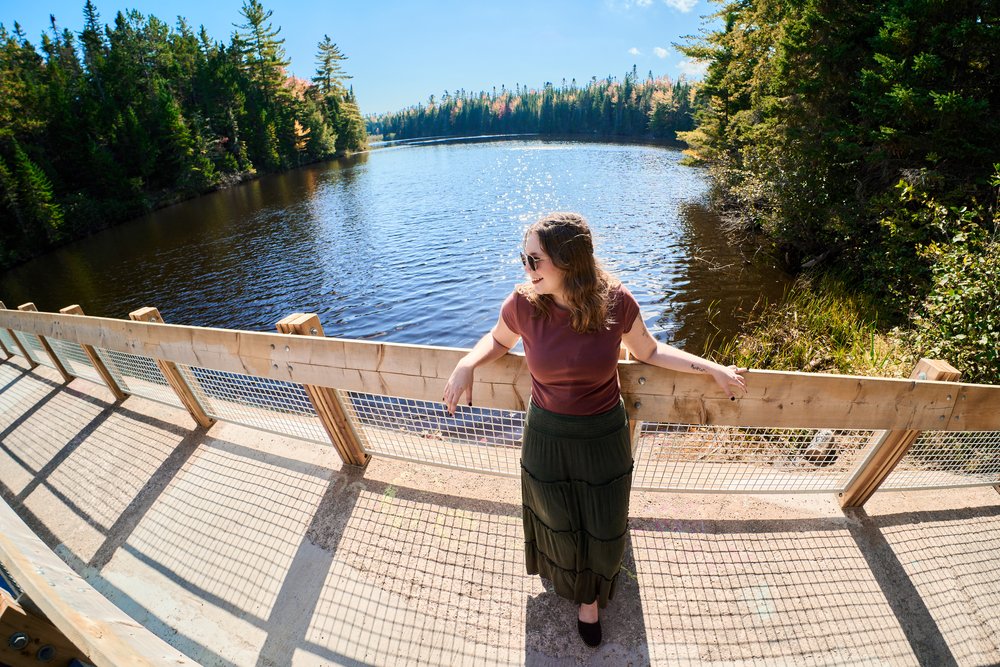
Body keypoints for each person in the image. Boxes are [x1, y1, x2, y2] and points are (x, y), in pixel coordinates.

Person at [443, 212, 747, 647]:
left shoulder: (616, 302)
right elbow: (497, 340)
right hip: (546, 434)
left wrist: (712, 368)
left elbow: (649, 350)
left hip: (603, 434)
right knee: (557, 515)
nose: (526, 268)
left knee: (602, 520)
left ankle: (589, 599)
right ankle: (570, 580)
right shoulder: (524, 304)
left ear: (569, 261)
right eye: (524, 257)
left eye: (534, 259)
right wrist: (466, 363)